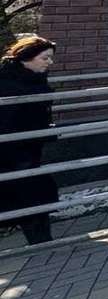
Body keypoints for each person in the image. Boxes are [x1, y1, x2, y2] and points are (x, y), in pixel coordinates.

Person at [0, 36, 58, 245]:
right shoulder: (10, 83)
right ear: (27, 58)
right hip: (12, 148)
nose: (49, 62)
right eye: (45, 58)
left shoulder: (33, 78)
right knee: (30, 191)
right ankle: (41, 242)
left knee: (29, 190)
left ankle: (41, 241)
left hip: (28, 145)